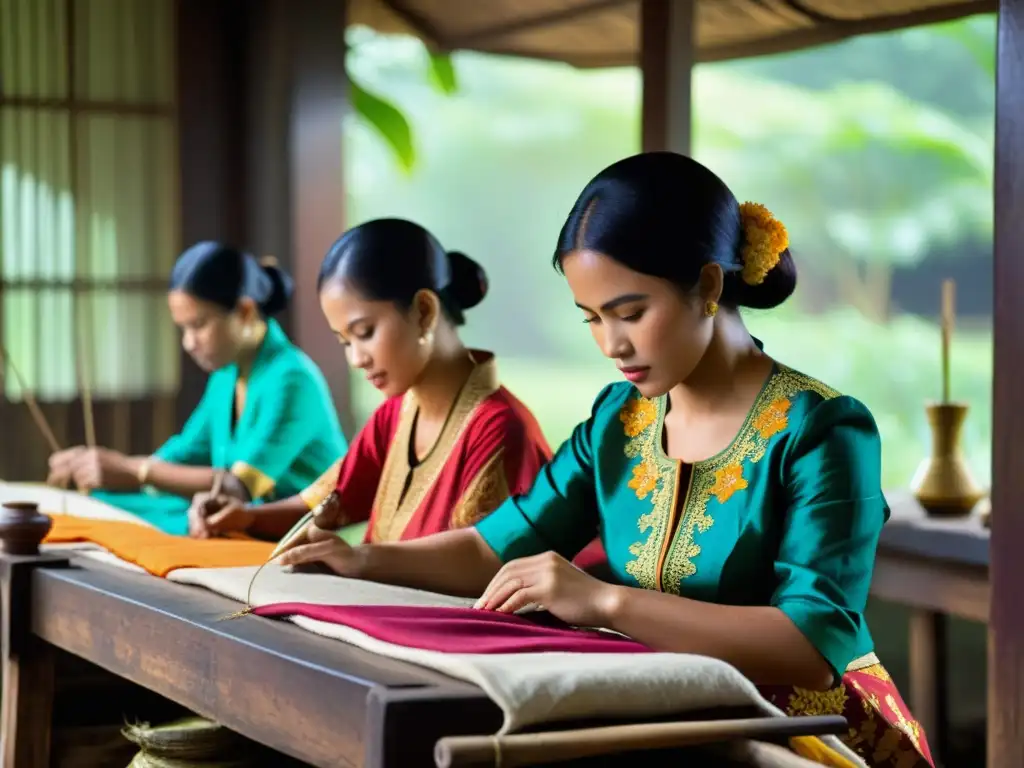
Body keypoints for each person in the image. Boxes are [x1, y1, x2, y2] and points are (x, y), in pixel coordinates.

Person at [271, 154, 933, 768]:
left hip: (806, 737)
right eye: (590, 317)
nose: (610, 344)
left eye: (630, 312)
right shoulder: (621, 420)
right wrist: (363, 561)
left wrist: (603, 601)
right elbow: (496, 546)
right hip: (667, 718)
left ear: (706, 284)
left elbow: (808, 648)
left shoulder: (822, 430)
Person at [190, 218, 552, 545]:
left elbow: (483, 562)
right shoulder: (395, 414)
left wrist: (358, 562)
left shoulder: (502, 429)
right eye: (345, 341)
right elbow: (328, 500)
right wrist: (243, 516)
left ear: (424, 312)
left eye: (365, 332)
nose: (356, 358)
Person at [46, 242, 347, 536]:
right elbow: (186, 451)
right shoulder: (227, 374)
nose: (188, 343)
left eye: (199, 325)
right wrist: (98, 469)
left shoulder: (292, 379)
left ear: (244, 311)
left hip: (299, 531)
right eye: (183, 328)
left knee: (150, 523)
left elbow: (236, 487)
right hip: (241, 518)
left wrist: (132, 470)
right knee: (103, 505)